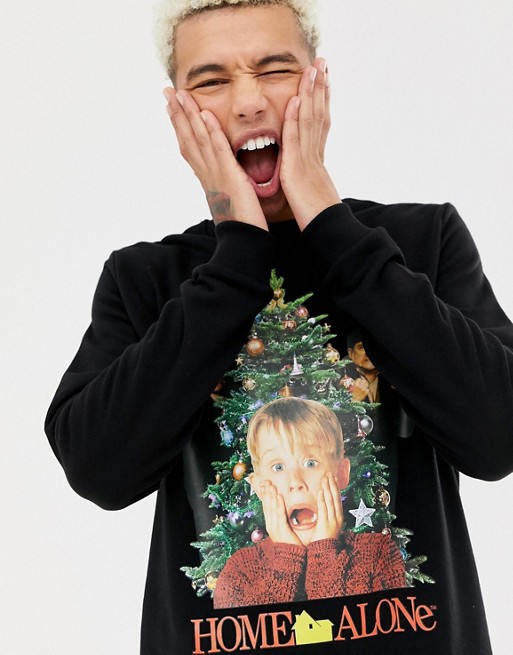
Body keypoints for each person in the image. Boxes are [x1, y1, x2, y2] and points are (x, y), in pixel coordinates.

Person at [44, 1, 513, 653]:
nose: (247, 101)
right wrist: (237, 252)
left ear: (318, 83)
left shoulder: (420, 242)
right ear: (179, 112)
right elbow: (99, 470)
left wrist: (329, 221)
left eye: (274, 69)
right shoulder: (146, 279)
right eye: (211, 80)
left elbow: (498, 438)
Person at [213, 397, 406, 609]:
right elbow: (256, 630)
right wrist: (286, 557)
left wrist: (325, 552)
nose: (296, 482)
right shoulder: (238, 571)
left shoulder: (379, 554)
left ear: (342, 473)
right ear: (259, 487)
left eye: (310, 463)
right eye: (278, 467)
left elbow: (360, 629)